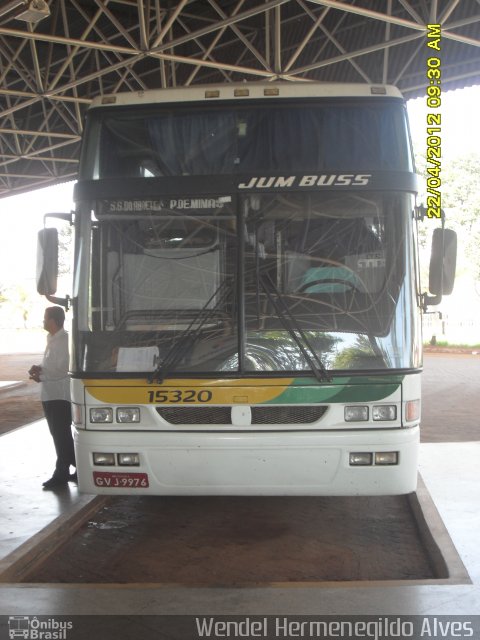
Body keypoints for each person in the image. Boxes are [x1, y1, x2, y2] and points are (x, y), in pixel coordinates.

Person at [29, 306, 76, 489]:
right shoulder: (52, 339)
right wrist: (39, 367)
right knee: (60, 435)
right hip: (50, 394)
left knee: (60, 435)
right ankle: (74, 470)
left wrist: (41, 376)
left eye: (45, 317)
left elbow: (62, 368)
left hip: (60, 396)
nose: (43, 321)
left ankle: (64, 472)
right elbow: (51, 364)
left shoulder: (64, 340)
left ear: (53, 320)